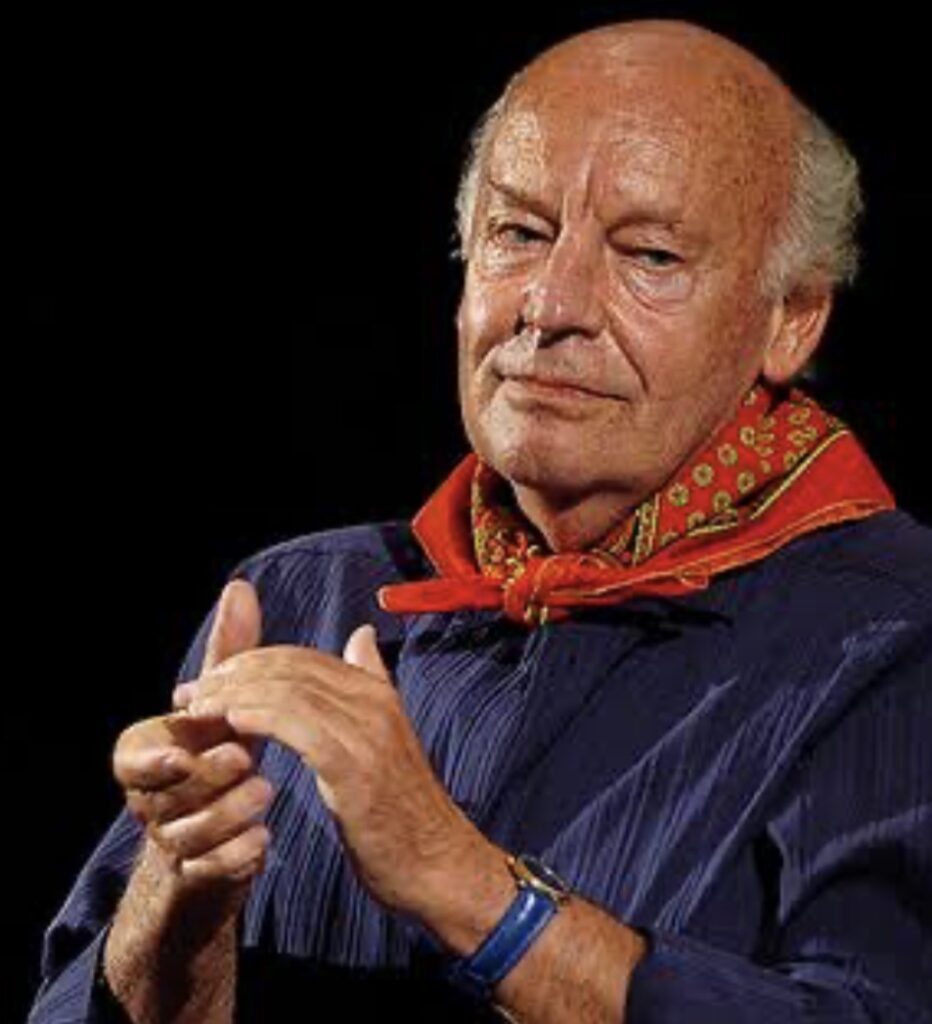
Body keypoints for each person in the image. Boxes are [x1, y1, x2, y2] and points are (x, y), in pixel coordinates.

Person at [29, 18, 931, 1024]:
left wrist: (460, 884)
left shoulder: (895, 633)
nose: (551, 304)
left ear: (790, 319)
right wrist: (180, 903)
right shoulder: (298, 597)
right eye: (519, 233)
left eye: (648, 254)